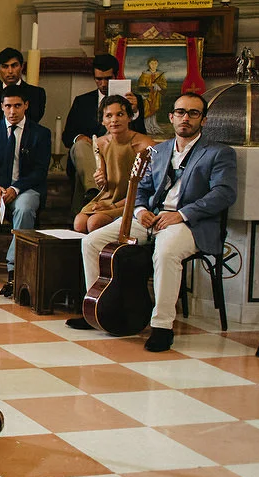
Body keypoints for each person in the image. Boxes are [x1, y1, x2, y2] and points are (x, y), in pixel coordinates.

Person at [68, 94, 237, 352]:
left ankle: (162, 326)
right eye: (180, 112)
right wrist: (140, 210)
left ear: (203, 120)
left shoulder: (219, 153)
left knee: (166, 252)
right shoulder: (159, 150)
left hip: (190, 223)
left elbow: (223, 193)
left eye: (193, 113)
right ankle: (99, 309)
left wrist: (182, 214)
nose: (185, 118)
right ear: (171, 117)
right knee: (92, 241)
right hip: (152, 217)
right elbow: (143, 189)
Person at [0, 87, 51, 297]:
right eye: (8, 106)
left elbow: (40, 171)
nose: (12, 111)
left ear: (26, 106)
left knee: (25, 209)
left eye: (17, 106)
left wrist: (15, 188)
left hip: (26, 188)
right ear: (2, 107)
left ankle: (15, 269)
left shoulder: (41, 133)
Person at [63, 54, 149, 208]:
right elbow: (67, 136)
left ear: (116, 76)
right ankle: (94, 190)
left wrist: (134, 112)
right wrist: (79, 137)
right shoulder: (82, 101)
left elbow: (142, 135)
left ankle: (93, 198)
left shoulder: (133, 100)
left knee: (83, 173)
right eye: (98, 79)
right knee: (80, 146)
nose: (103, 83)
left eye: (108, 79)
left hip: (119, 155)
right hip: (89, 155)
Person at [74, 95, 155, 233]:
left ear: (129, 117)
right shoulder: (100, 143)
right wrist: (100, 180)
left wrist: (112, 206)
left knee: (94, 223)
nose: (114, 120)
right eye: (109, 116)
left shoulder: (145, 145)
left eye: (120, 114)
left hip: (131, 201)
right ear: (103, 121)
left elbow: (146, 187)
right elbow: (105, 185)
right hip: (108, 198)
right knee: (79, 223)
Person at [0, 47, 47, 128]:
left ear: (22, 66)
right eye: (5, 66)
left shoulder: (37, 94)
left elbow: (33, 120)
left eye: (14, 65)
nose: (10, 71)